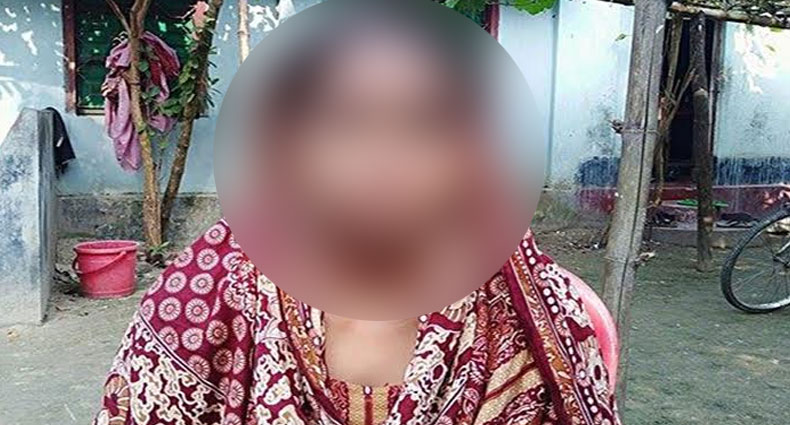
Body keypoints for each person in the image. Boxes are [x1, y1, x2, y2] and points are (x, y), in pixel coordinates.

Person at [94, 2, 619, 424]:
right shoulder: (208, 288)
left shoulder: (531, 307)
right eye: (345, 122)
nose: (382, 163)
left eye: (425, 125)